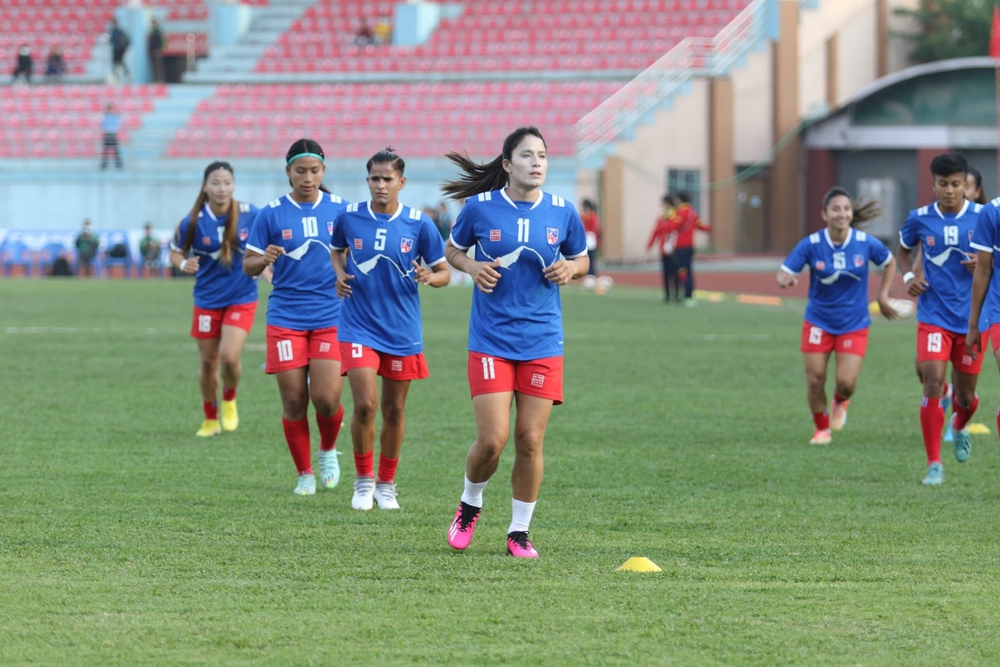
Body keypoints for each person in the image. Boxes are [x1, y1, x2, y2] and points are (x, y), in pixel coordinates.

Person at [441, 126, 589, 558]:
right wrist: (470, 265)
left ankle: (519, 533)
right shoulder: (481, 208)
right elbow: (452, 250)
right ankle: (469, 504)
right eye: (526, 155)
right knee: (493, 439)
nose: (536, 162)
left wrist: (572, 270)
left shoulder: (562, 212)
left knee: (529, 440)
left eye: (542, 155)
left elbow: (581, 258)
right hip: (490, 339)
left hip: (542, 341)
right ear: (507, 164)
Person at [331, 148, 450, 511]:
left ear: (402, 182)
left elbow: (444, 271)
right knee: (366, 404)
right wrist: (338, 273)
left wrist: (430, 277)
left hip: (401, 329)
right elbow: (336, 250)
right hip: (357, 325)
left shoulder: (419, 223)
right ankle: (364, 481)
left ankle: (386, 484)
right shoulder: (349, 217)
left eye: (387, 179)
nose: (381, 185)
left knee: (394, 409)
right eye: (374, 179)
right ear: (367, 181)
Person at [244, 139, 350, 496]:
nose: (308, 178)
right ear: (287, 171)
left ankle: (327, 450)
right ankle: (304, 474)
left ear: (324, 171)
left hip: (331, 315)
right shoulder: (271, 213)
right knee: (293, 401)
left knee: (327, 398)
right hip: (286, 316)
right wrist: (265, 259)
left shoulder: (341, 210)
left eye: (314, 170)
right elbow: (248, 265)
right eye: (300, 171)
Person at [777, 187, 898, 445]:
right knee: (814, 378)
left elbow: (889, 261)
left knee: (846, 382)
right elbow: (785, 271)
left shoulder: (865, 243)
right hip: (818, 321)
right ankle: (822, 429)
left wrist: (883, 296)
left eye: (846, 209)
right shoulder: (811, 244)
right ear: (824, 214)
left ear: (851, 213)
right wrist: (785, 279)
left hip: (853, 323)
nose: (842, 214)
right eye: (835, 209)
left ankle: (840, 401)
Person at [897, 152, 984, 486]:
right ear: (933, 185)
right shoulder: (919, 219)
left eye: (957, 184)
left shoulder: (984, 216)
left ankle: (959, 425)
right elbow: (903, 251)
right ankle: (934, 464)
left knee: (966, 397)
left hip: (973, 319)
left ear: (968, 186)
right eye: (944, 184)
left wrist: (985, 263)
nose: (950, 190)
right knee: (932, 380)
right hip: (933, 314)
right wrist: (907, 279)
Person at [170, 162, 262, 437]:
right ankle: (210, 418)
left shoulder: (250, 214)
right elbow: (175, 252)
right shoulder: (193, 221)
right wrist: (182, 264)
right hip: (207, 300)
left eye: (227, 182)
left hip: (241, 296)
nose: (222, 188)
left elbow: (268, 242)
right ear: (205, 186)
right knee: (209, 362)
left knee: (229, 358)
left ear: (233, 185)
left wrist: (266, 265)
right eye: (216, 183)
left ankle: (229, 398)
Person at [670, 192, 711, 306]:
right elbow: (700, 226)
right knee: (688, 270)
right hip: (690, 246)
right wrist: (710, 229)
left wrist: (664, 223)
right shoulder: (693, 212)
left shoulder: (680, 213)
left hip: (681, 246)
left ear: (680, 200)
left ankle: (687, 295)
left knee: (682, 270)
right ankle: (689, 294)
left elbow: (673, 226)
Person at [646, 194, 680, 302]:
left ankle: (677, 293)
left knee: (675, 271)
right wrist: (650, 243)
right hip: (664, 247)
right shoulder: (661, 215)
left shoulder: (675, 214)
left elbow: (674, 227)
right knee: (665, 272)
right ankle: (667, 294)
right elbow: (656, 230)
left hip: (674, 247)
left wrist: (664, 225)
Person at [580, 199, 600, 276]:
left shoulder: (589, 216)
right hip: (591, 237)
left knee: (589, 256)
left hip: (589, 237)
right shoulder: (594, 216)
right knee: (591, 256)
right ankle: (591, 273)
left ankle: (590, 273)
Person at [100, 102, 123, 170]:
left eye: (110, 108)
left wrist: (110, 129)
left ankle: (118, 164)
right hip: (107, 134)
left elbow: (116, 126)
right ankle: (104, 164)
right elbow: (103, 125)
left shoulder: (114, 116)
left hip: (112, 134)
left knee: (116, 150)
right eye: (108, 108)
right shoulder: (105, 116)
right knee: (105, 150)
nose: (109, 110)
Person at [108, 19, 131, 83]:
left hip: (118, 51)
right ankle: (119, 76)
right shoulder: (115, 31)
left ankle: (125, 76)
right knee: (117, 64)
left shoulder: (117, 32)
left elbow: (113, 41)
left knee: (120, 64)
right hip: (117, 51)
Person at [147, 18, 165, 83]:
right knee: (154, 66)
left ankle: (159, 79)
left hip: (157, 51)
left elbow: (161, 41)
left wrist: (159, 49)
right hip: (153, 51)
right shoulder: (152, 31)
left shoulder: (158, 31)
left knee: (158, 66)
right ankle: (156, 79)